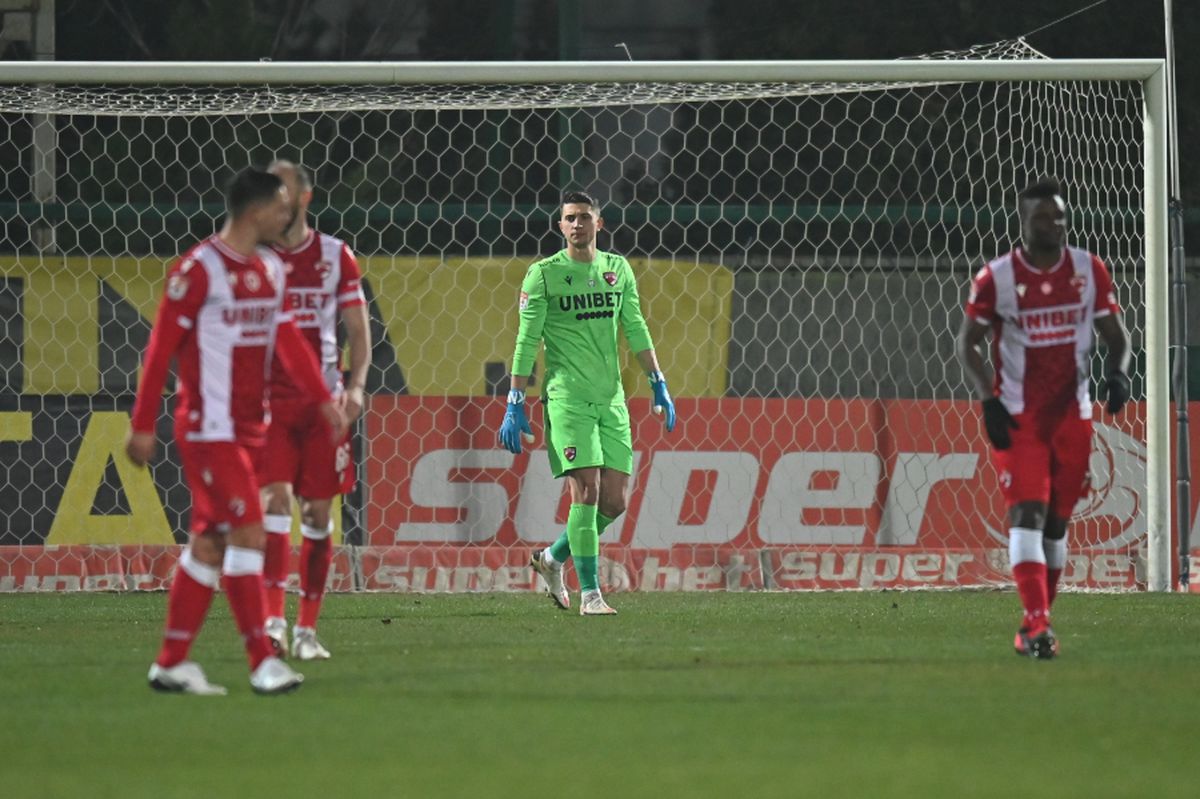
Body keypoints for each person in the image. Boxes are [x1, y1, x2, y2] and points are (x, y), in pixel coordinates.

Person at [126, 167, 347, 694]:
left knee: (209, 544)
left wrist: (321, 401)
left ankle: (171, 662)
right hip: (208, 429)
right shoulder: (198, 271)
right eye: (278, 207)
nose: (286, 214)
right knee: (249, 531)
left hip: (251, 430)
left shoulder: (269, 269)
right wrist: (141, 426)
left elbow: (288, 338)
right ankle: (261, 661)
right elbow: (159, 351)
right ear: (254, 212)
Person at [957, 177, 1130, 660]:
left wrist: (1116, 376)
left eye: (1059, 217)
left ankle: (1035, 623)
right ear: (1023, 222)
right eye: (1042, 218)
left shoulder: (1088, 269)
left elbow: (1117, 337)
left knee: (1057, 523)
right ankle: (1037, 626)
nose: (1053, 225)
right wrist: (986, 400)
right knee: (1026, 513)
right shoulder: (997, 278)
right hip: (1018, 415)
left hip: (1072, 416)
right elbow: (967, 341)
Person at [500, 190, 677, 615]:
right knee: (587, 491)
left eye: (584, 218)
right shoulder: (543, 275)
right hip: (567, 400)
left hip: (611, 400)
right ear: (559, 226)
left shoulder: (618, 270)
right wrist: (514, 399)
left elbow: (635, 327)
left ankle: (551, 558)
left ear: (599, 224)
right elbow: (527, 341)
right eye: (570, 219)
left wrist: (659, 382)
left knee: (615, 501)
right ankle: (591, 595)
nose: (577, 225)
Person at [257, 159, 370, 661]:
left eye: (278, 191)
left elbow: (359, 330)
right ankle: (273, 623)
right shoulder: (254, 257)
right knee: (275, 503)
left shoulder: (334, 256)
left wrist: (359, 386)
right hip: (270, 404)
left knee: (318, 512)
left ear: (303, 197)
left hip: (325, 404)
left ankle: (306, 629)